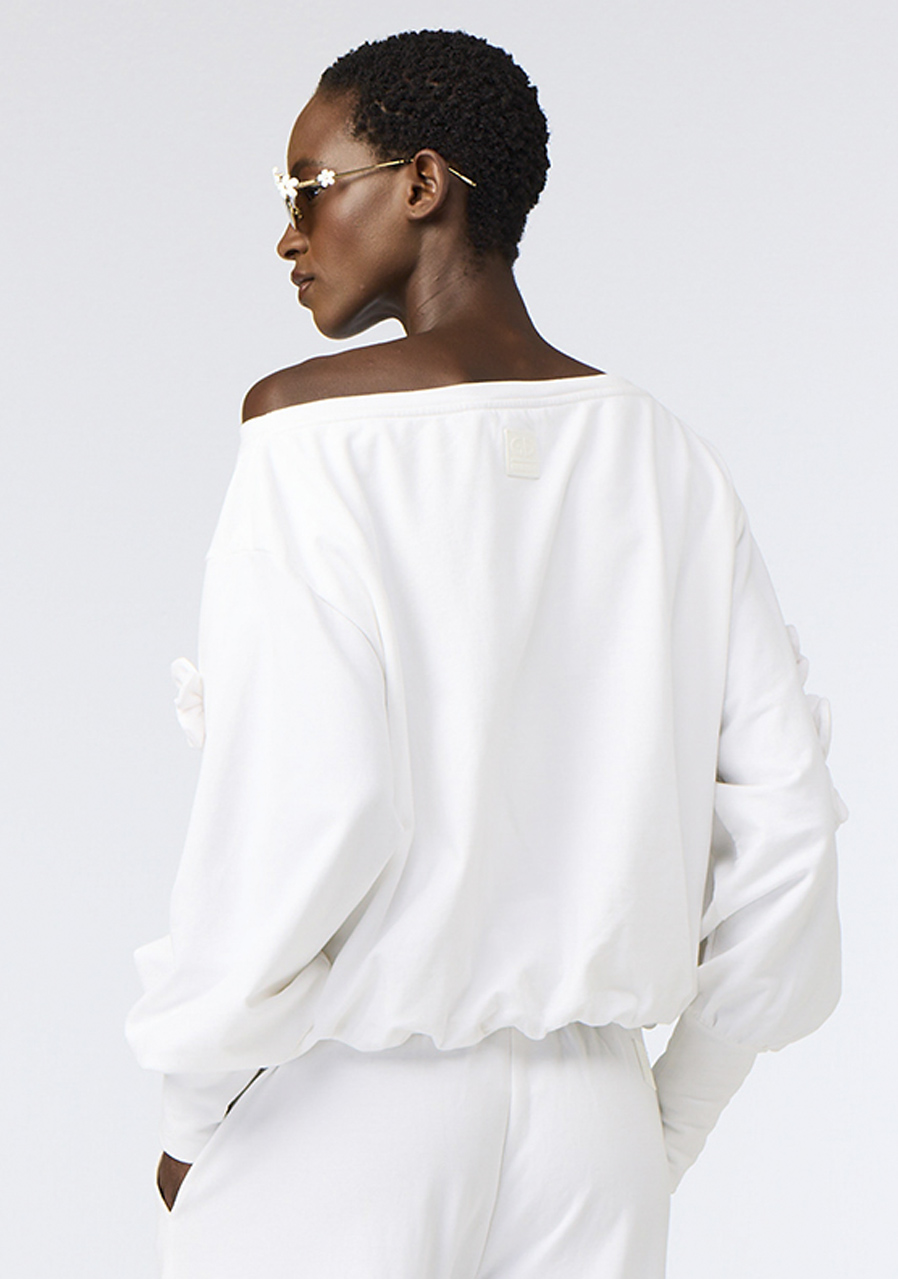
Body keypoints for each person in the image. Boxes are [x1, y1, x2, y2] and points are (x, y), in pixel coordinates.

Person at [125, 28, 845, 1279]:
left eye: (307, 188)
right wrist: (660, 1119)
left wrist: (194, 1108)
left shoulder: (309, 438)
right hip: (596, 1119)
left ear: (421, 182)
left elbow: (305, 806)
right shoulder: (665, 459)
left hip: (351, 1102)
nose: (289, 235)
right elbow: (787, 827)